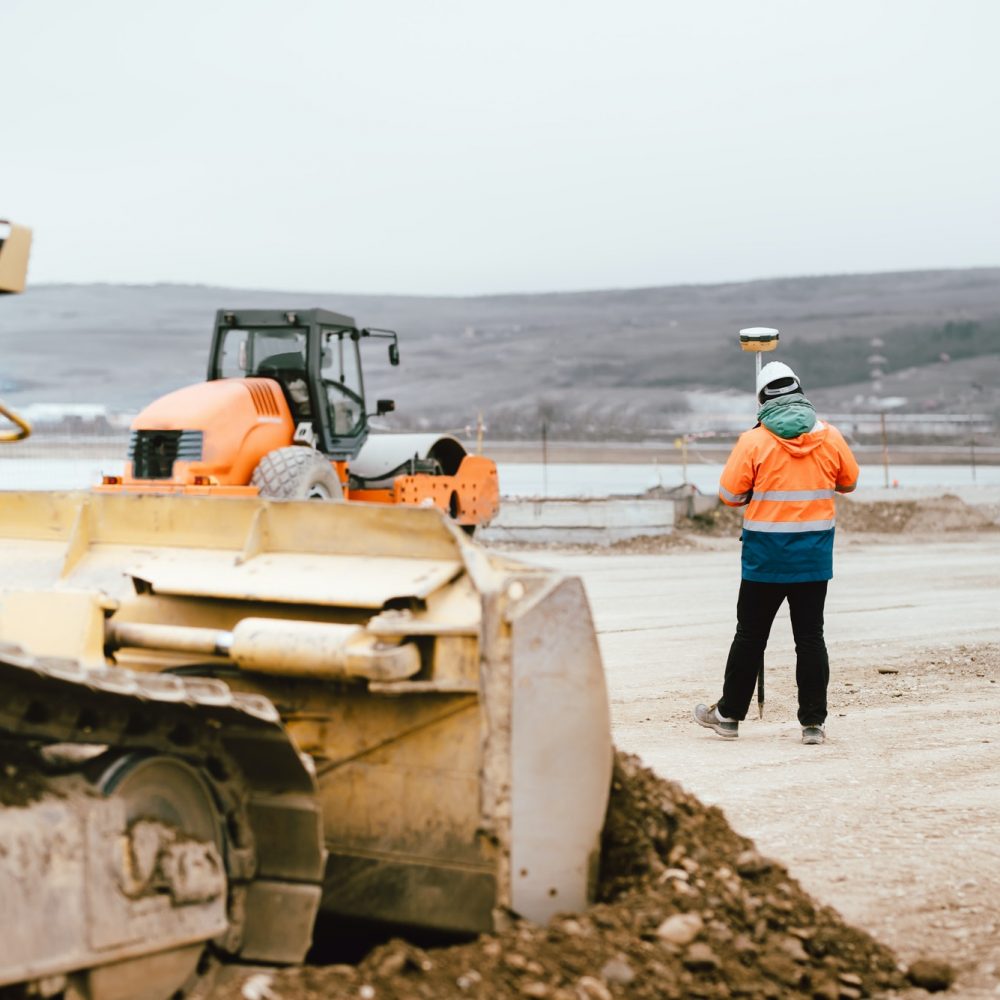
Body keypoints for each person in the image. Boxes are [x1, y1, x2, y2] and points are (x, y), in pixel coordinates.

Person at [694, 361, 859, 746]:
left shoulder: (753, 441)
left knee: (750, 636)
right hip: (813, 559)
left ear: (762, 400)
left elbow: (730, 496)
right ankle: (813, 724)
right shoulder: (830, 437)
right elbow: (849, 482)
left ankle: (730, 715)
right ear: (800, 392)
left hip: (764, 559)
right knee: (810, 637)